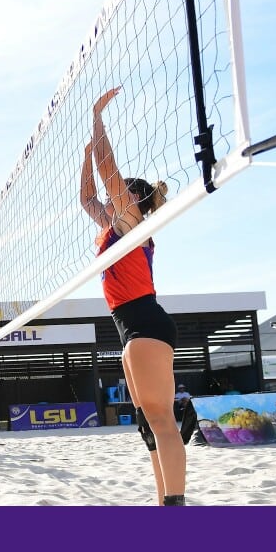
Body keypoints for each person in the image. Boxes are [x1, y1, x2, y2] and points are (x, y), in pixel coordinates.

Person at [79, 85, 184, 506]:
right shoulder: (113, 228)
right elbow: (87, 196)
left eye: (116, 197)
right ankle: (164, 501)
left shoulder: (132, 223)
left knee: (161, 419)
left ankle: (175, 503)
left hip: (144, 321)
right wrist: (86, 152)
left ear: (132, 199)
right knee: (147, 421)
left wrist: (97, 118)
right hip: (130, 326)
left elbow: (108, 172)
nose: (107, 202)